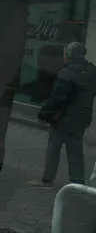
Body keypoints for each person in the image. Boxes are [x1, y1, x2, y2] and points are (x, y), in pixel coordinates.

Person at [34, 42, 96, 187]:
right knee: (75, 151)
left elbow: (57, 98)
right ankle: (77, 183)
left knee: (54, 147)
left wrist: (43, 115)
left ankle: (47, 179)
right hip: (82, 117)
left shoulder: (66, 73)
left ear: (68, 55)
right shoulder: (92, 71)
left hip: (63, 118)